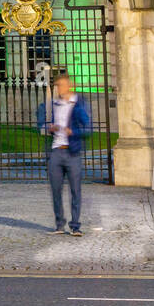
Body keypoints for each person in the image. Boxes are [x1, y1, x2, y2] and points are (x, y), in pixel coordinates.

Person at [37, 71, 90, 235]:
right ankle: (59, 224)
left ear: (69, 86)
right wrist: (48, 127)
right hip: (56, 152)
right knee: (55, 190)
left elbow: (88, 127)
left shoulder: (78, 104)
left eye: (61, 85)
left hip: (72, 152)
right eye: (57, 86)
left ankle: (75, 226)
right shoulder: (51, 104)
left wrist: (72, 131)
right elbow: (40, 124)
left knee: (75, 190)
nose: (58, 89)